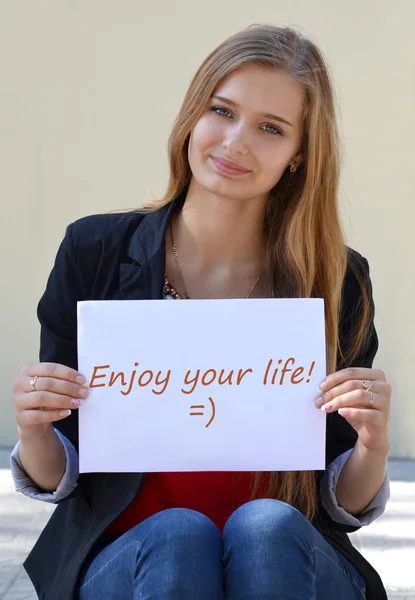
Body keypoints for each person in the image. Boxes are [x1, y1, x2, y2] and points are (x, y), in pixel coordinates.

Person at [11, 23, 392, 600]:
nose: (236, 141)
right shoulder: (95, 253)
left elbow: (344, 505)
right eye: (222, 110)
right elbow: (58, 473)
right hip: (130, 560)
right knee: (177, 535)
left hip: (286, 561)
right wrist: (35, 428)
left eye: (271, 128)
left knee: (265, 527)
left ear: (298, 156)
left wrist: (373, 447)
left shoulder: (337, 278)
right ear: (193, 116)